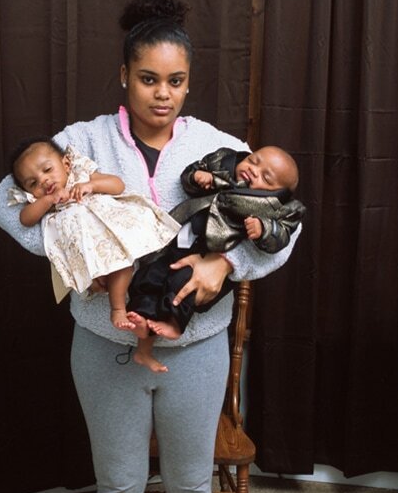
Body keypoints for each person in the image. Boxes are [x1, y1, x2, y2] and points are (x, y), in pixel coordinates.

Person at [0, 0, 301, 493]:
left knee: (190, 483)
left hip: (197, 347)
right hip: (105, 343)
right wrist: (80, 255)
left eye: (177, 81)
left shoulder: (222, 148)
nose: (164, 94)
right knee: (121, 483)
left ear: (191, 83)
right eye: (150, 79)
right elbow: (3, 201)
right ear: (125, 77)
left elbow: (286, 224)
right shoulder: (83, 142)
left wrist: (229, 267)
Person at [124, 144, 305, 372]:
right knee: (148, 275)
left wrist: (263, 228)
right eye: (254, 161)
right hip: (180, 241)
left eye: (266, 178)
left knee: (183, 285)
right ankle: (143, 335)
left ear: (278, 193)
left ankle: (175, 323)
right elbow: (191, 175)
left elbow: (282, 235)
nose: (253, 171)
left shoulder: (274, 207)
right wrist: (198, 176)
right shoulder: (224, 163)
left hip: (208, 252)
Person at [6, 136, 179, 328]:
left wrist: (92, 185)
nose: (44, 180)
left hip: (109, 231)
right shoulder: (42, 200)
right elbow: (25, 219)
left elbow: (117, 185)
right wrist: (48, 200)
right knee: (95, 270)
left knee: (121, 262)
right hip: (83, 244)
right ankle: (118, 308)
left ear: (66, 163)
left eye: (48, 170)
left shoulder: (81, 174)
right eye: (33, 183)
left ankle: (118, 307)